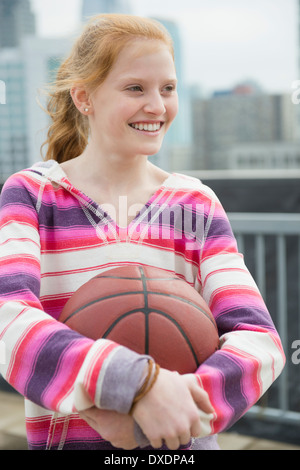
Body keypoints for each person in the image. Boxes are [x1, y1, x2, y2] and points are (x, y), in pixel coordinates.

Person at [0, 14, 285, 451]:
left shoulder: (195, 203)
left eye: (167, 89)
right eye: (135, 88)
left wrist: (166, 410)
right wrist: (133, 385)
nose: (157, 105)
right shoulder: (33, 196)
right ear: (84, 98)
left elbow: (259, 339)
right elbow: (8, 318)